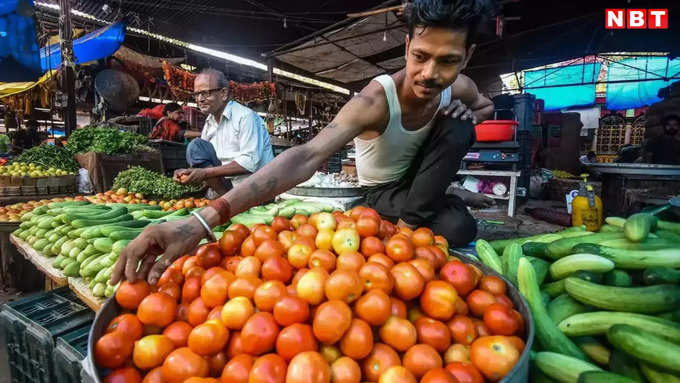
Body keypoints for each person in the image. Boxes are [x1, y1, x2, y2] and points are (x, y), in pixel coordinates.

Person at [112, 0, 495, 285]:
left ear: (467, 57)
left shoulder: (459, 87)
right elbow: (307, 155)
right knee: (459, 229)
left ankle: (420, 222)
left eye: (447, 61)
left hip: (418, 187)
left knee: (460, 131)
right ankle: (417, 227)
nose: (429, 74)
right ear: (407, 44)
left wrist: (465, 115)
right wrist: (201, 220)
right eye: (420, 57)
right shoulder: (375, 102)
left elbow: (486, 107)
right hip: (383, 195)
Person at [173, 68, 274, 196]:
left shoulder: (245, 117)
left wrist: (205, 173)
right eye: (196, 94)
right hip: (229, 187)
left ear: (224, 93)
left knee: (196, 146)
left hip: (255, 187)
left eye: (205, 93)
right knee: (196, 147)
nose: (200, 99)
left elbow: (250, 163)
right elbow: (204, 163)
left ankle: (228, 201)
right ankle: (226, 198)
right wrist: (188, 173)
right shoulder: (209, 123)